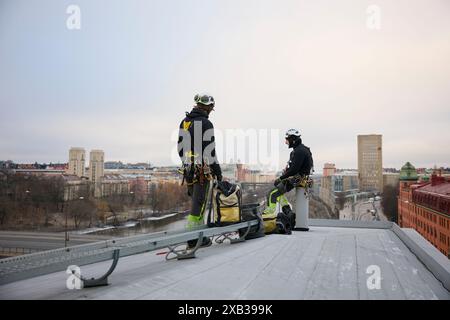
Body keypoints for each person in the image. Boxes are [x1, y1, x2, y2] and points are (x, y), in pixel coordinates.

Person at [177, 93, 222, 248]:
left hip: (189, 170)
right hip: (201, 171)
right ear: (207, 107)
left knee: (195, 203)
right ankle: (193, 238)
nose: (211, 111)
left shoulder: (185, 122)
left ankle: (197, 235)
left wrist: (187, 163)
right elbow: (209, 151)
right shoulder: (206, 123)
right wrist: (218, 171)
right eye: (211, 108)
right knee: (199, 204)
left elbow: (180, 148)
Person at [265, 129, 314, 231]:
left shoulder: (299, 151)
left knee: (272, 194)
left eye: (287, 139)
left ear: (293, 139)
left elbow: (294, 169)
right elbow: (294, 168)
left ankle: (268, 217)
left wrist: (281, 178)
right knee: (277, 192)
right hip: (299, 177)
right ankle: (289, 214)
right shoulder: (301, 149)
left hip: (298, 178)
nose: (286, 142)